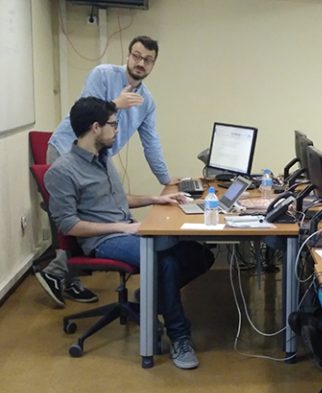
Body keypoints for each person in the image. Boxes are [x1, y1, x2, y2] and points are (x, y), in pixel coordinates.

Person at [44, 97, 214, 369]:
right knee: (165, 262)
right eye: (113, 124)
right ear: (96, 128)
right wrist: (124, 227)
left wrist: (156, 199)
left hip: (127, 230)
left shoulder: (103, 158)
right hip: (102, 240)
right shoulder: (62, 171)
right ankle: (179, 336)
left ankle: (152, 297)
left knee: (200, 254)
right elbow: (69, 225)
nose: (117, 130)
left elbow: (118, 198)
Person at [36, 35, 178, 307]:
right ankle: (63, 275)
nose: (141, 63)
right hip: (67, 149)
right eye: (137, 56)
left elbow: (151, 142)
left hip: (99, 156)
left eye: (148, 60)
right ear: (128, 55)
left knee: (101, 206)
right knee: (72, 218)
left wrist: (166, 180)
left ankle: (63, 274)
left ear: (153, 65)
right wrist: (116, 105)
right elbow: (84, 114)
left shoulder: (147, 101)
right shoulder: (103, 74)